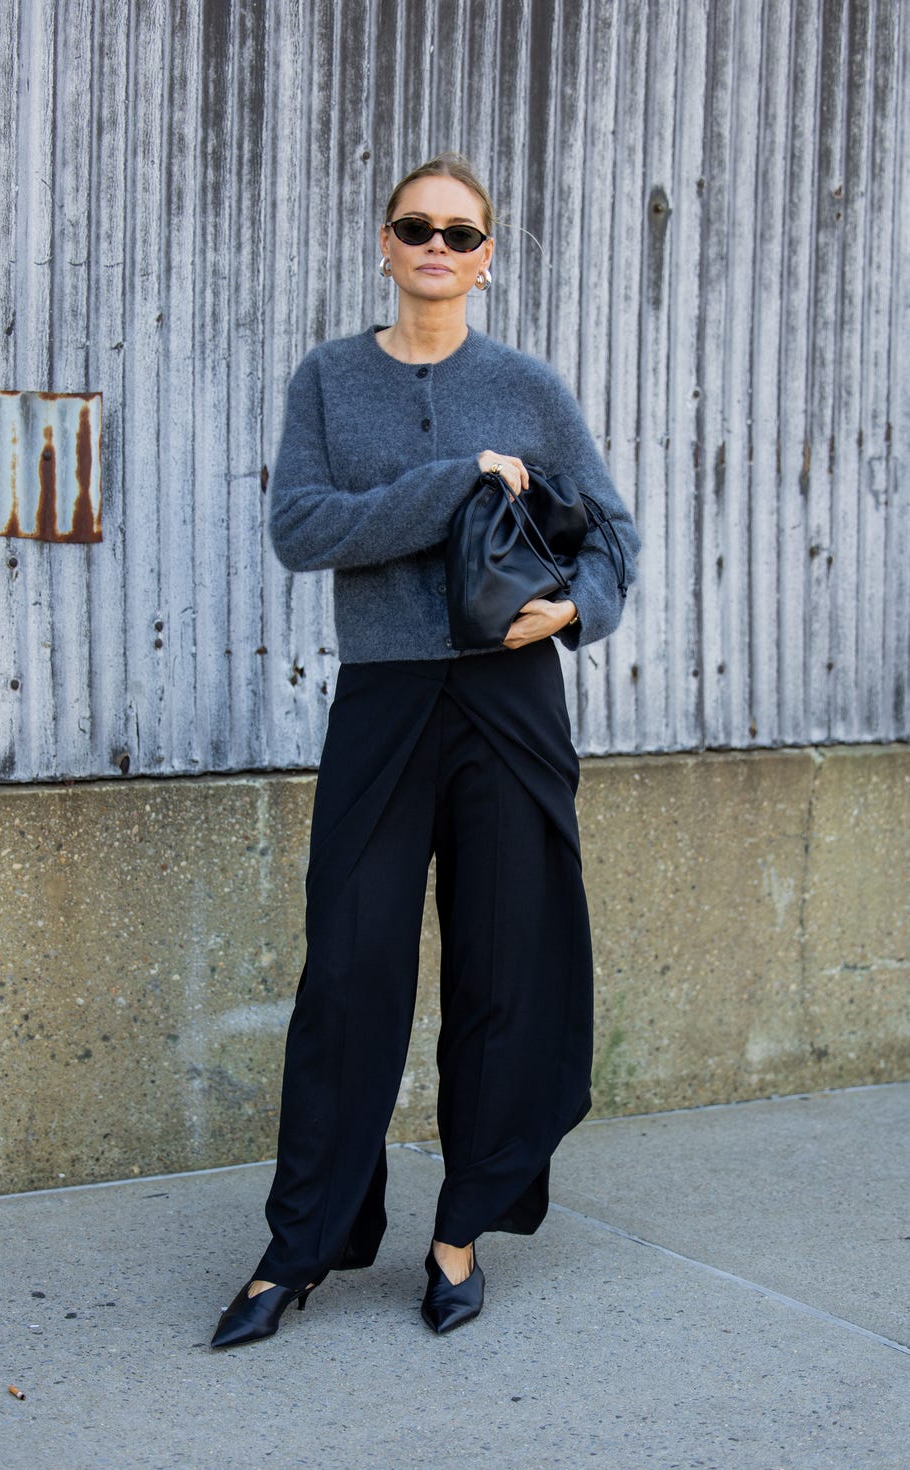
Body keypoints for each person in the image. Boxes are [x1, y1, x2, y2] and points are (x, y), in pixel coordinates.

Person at [210, 152, 639, 1347]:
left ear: (487, 258)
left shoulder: (529, 388)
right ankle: (301, 1246)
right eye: (416, 227)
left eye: (460, 233)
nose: (437, 248)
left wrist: (576, 612)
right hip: (387, 699)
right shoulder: (328, 381)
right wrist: (454, 482)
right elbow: (302, 529)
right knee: (348, 971)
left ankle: (459, 1235)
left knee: (506, 972)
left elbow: (610, 533)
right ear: (385, 245)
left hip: (510, 699)